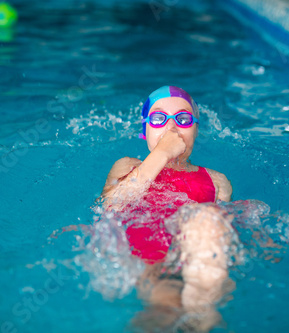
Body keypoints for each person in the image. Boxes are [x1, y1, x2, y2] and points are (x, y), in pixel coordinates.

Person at [98, 86, 236, 330]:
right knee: (164, 309)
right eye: (159, 119)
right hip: (148, 266)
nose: (171, 128)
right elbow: (113, 205)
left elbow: (226, 230)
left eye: (183, 119)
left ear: (195, 130)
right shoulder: (126, 168)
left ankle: (202, 314)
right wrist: (162, 153)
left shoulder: (217, 181)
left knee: (206, 219)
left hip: (198, 261)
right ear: (145, 130)